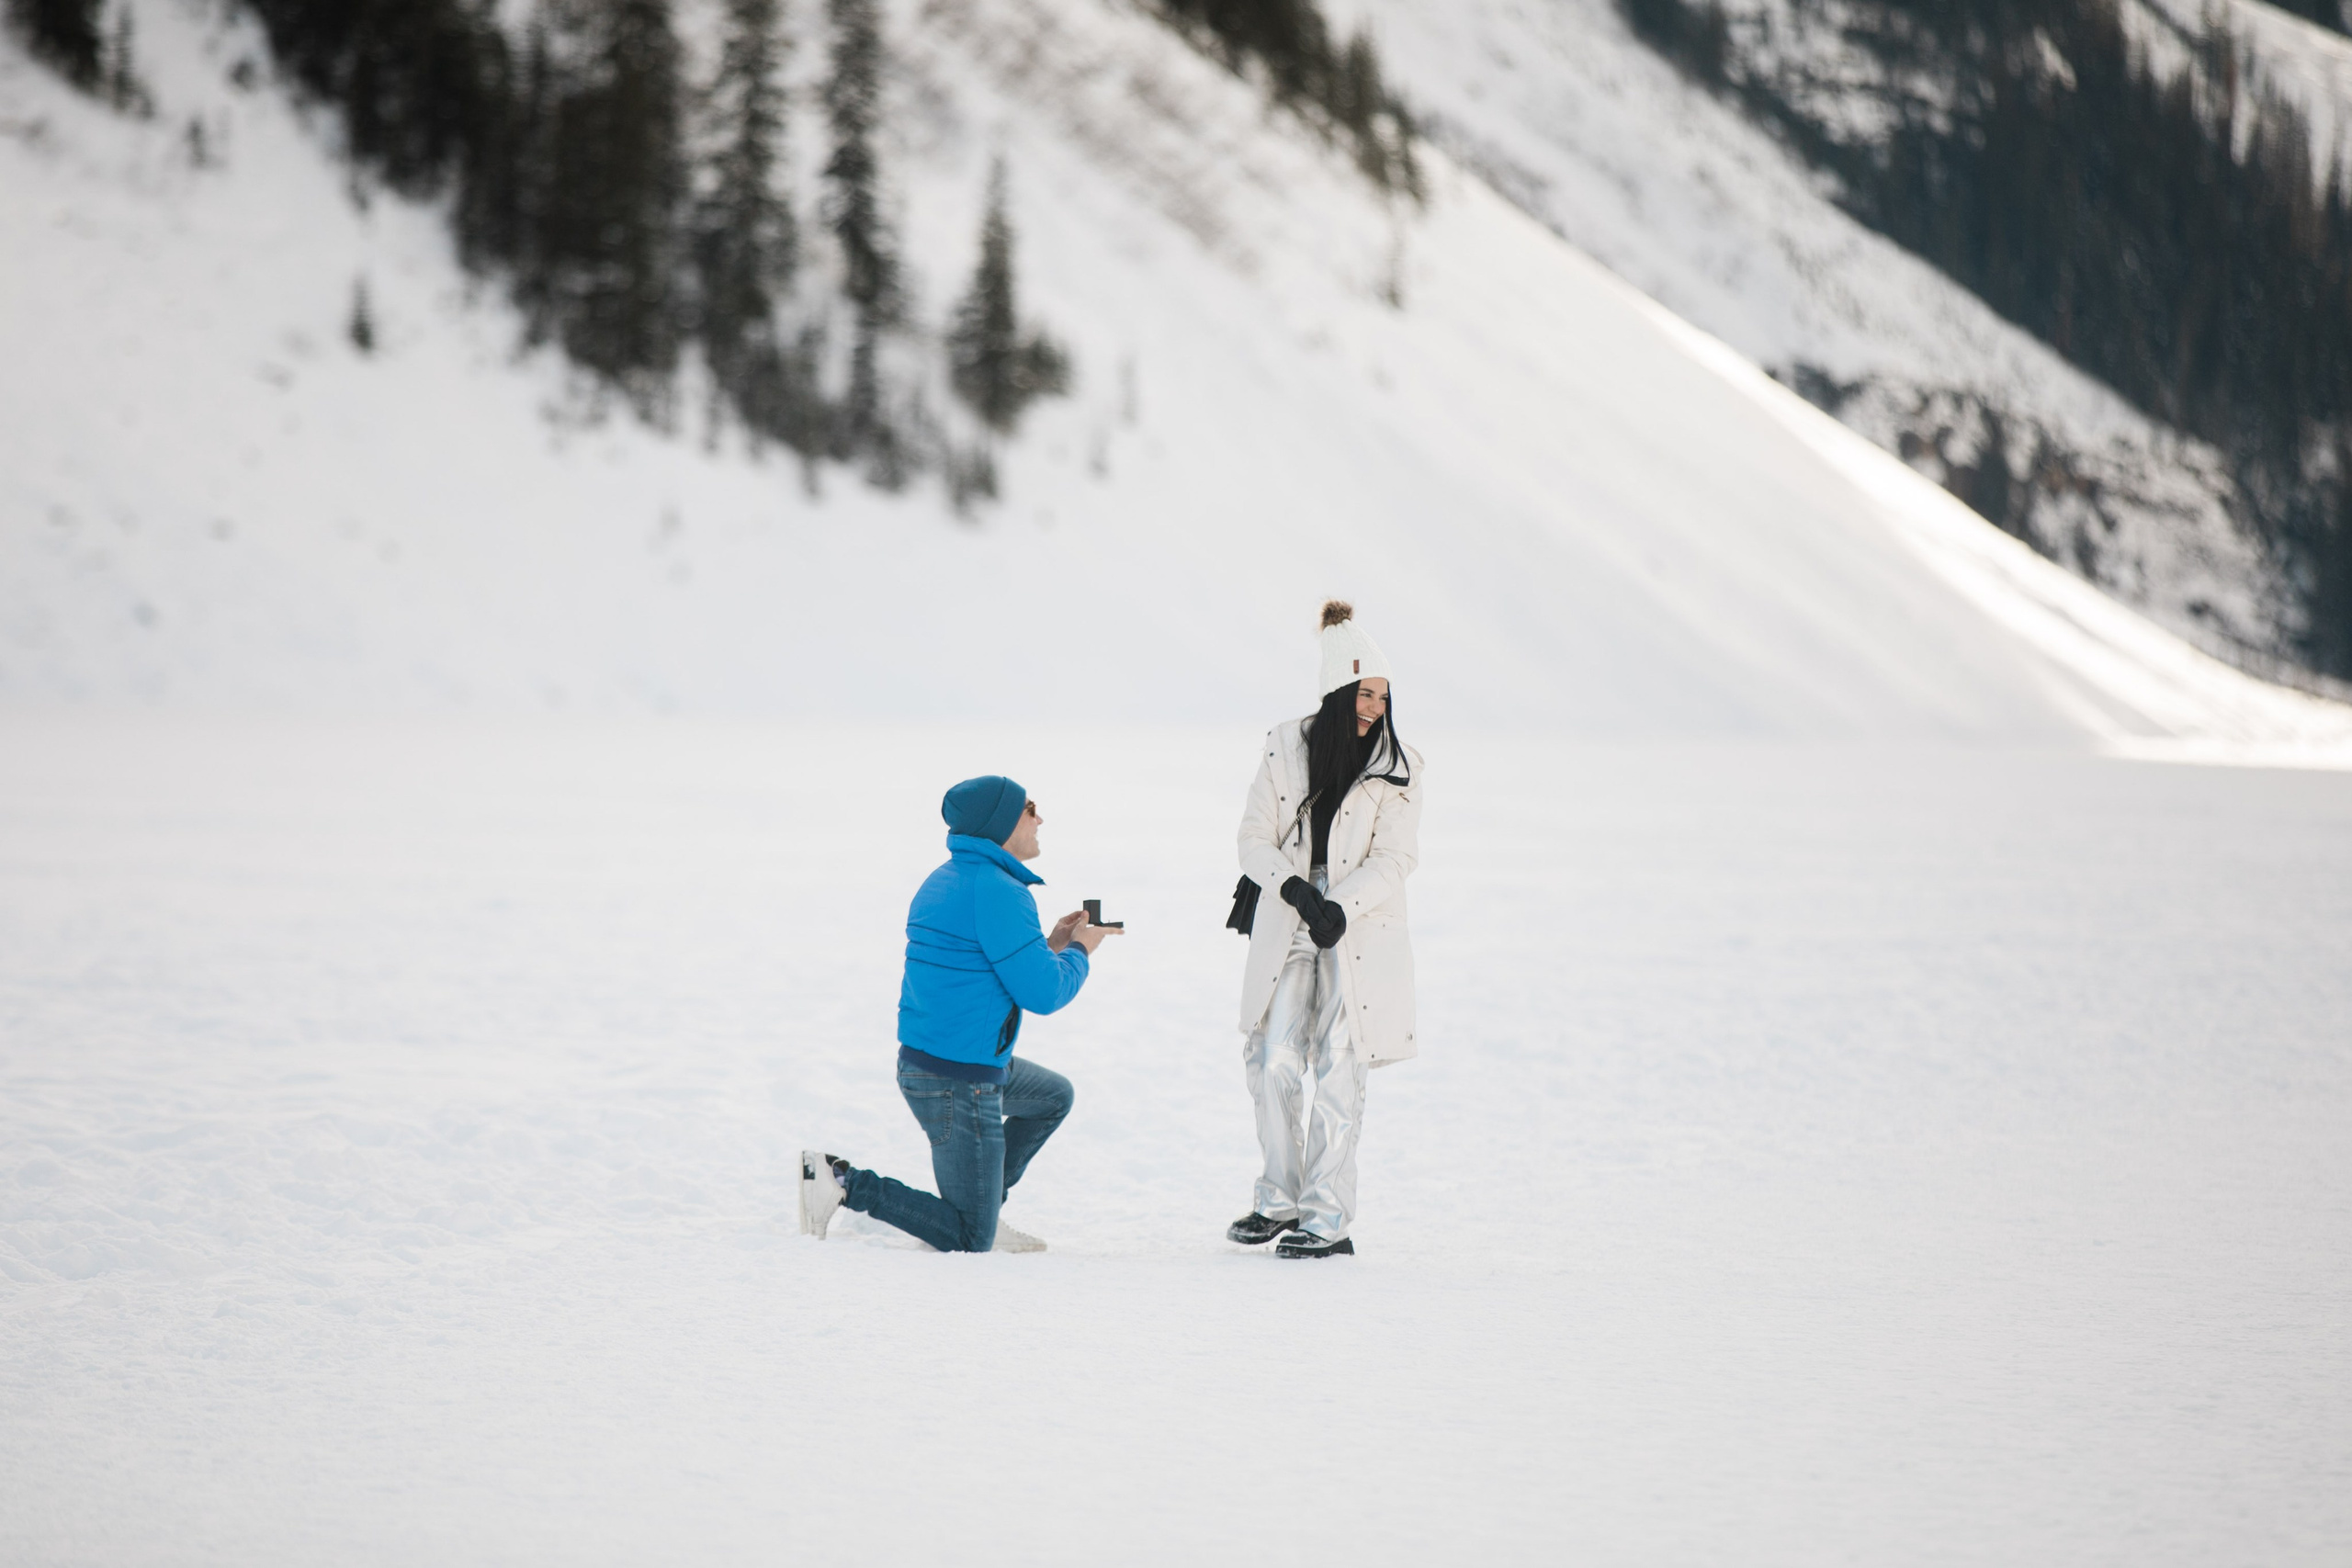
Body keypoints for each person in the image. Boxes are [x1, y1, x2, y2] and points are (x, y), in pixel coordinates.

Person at [799, 775, 1120, 1253]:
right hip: (958, 1081)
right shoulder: (999, 892)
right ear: (1003, 822)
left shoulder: (954, 878)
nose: (1039, 819)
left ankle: (983, 1207)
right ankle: (844, 1182)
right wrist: (1080, 951)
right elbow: (1046, 994)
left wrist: (1050, 945)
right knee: (971, 1240)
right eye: (1030, 808)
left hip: (940, 1061)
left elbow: (991, 964)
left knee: (1054, 1096)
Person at [1227, 601, 1424, 1258]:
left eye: (1384, 696)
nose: (1375, 707)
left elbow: (1395, 858)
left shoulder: (1400, 767)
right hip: (1291, 917)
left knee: (1341, 1065)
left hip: (1356, 930)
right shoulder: (1286, 747)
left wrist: (1340, 904)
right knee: (1274, 1056)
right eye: (1366, 692)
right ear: (1338, 689)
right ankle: (1278, 1200)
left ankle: (1327, 1218)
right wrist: (1292, 888)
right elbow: (1253, 838)